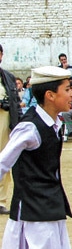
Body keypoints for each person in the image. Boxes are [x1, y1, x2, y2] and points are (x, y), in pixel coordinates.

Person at [0, 66, 72, 249]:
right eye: (67, 89)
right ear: (50, 95)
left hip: (50, 209)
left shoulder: (56, 124)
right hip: (33, 212)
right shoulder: (30, 127)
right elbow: (3, 162)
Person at [0, 43, 22, 215]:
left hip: (6, 121)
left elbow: (15, 100)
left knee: (4, 159)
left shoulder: (8, 76)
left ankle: (0, 200)